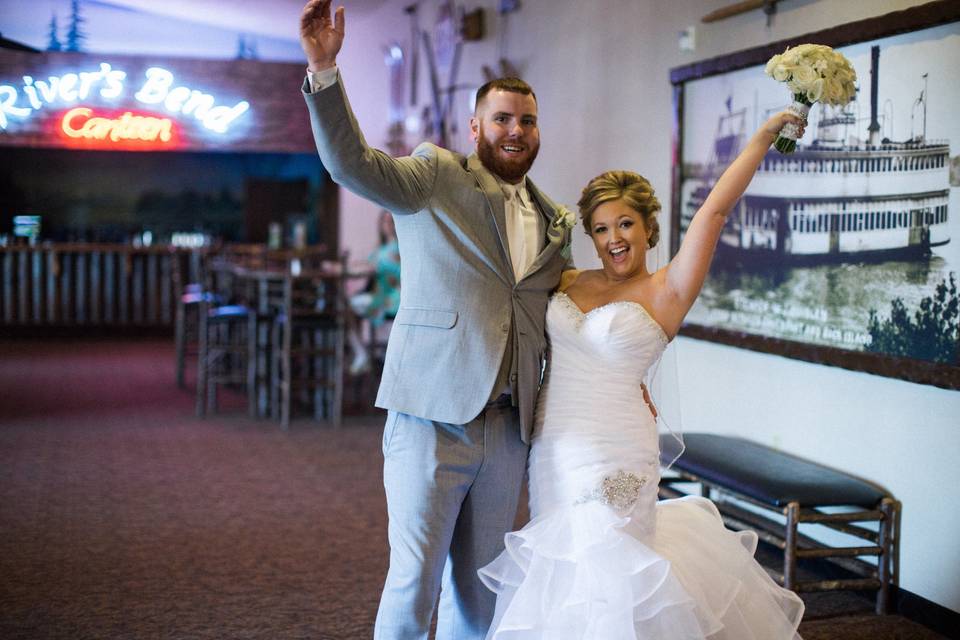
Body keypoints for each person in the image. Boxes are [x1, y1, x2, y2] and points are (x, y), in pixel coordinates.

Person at [299, 2, 573, 638]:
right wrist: (324, 67)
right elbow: (353, 165)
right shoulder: (437, 176)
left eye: (528, 121)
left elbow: (559, 311)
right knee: (414, 582)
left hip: (508, 429)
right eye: (502, 118)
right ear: (475, 127)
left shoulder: (556, 219)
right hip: (430, 416)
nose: (517, 130)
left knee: (482, 592)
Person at [478, 113, 808, 639]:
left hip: (617, 450)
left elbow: (716, 211)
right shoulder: (567, 279)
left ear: (648, 227)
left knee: (609, 573)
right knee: (563, 574)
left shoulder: (667, 290)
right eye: (602, 228)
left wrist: (763, 138)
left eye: (625, 224)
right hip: (553, 448)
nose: (614, 239)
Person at [347, 210, 401, 375]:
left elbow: (371, 267)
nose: (388, 226)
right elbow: (365, 265)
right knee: (349, 306)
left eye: (391, 222)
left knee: (347, 308)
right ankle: (363, 353)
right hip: (382, 295)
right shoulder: (381, 249)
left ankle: (362, 353)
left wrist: (344, 268)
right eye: (385, 222)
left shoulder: (397, 249)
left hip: (392, 297)